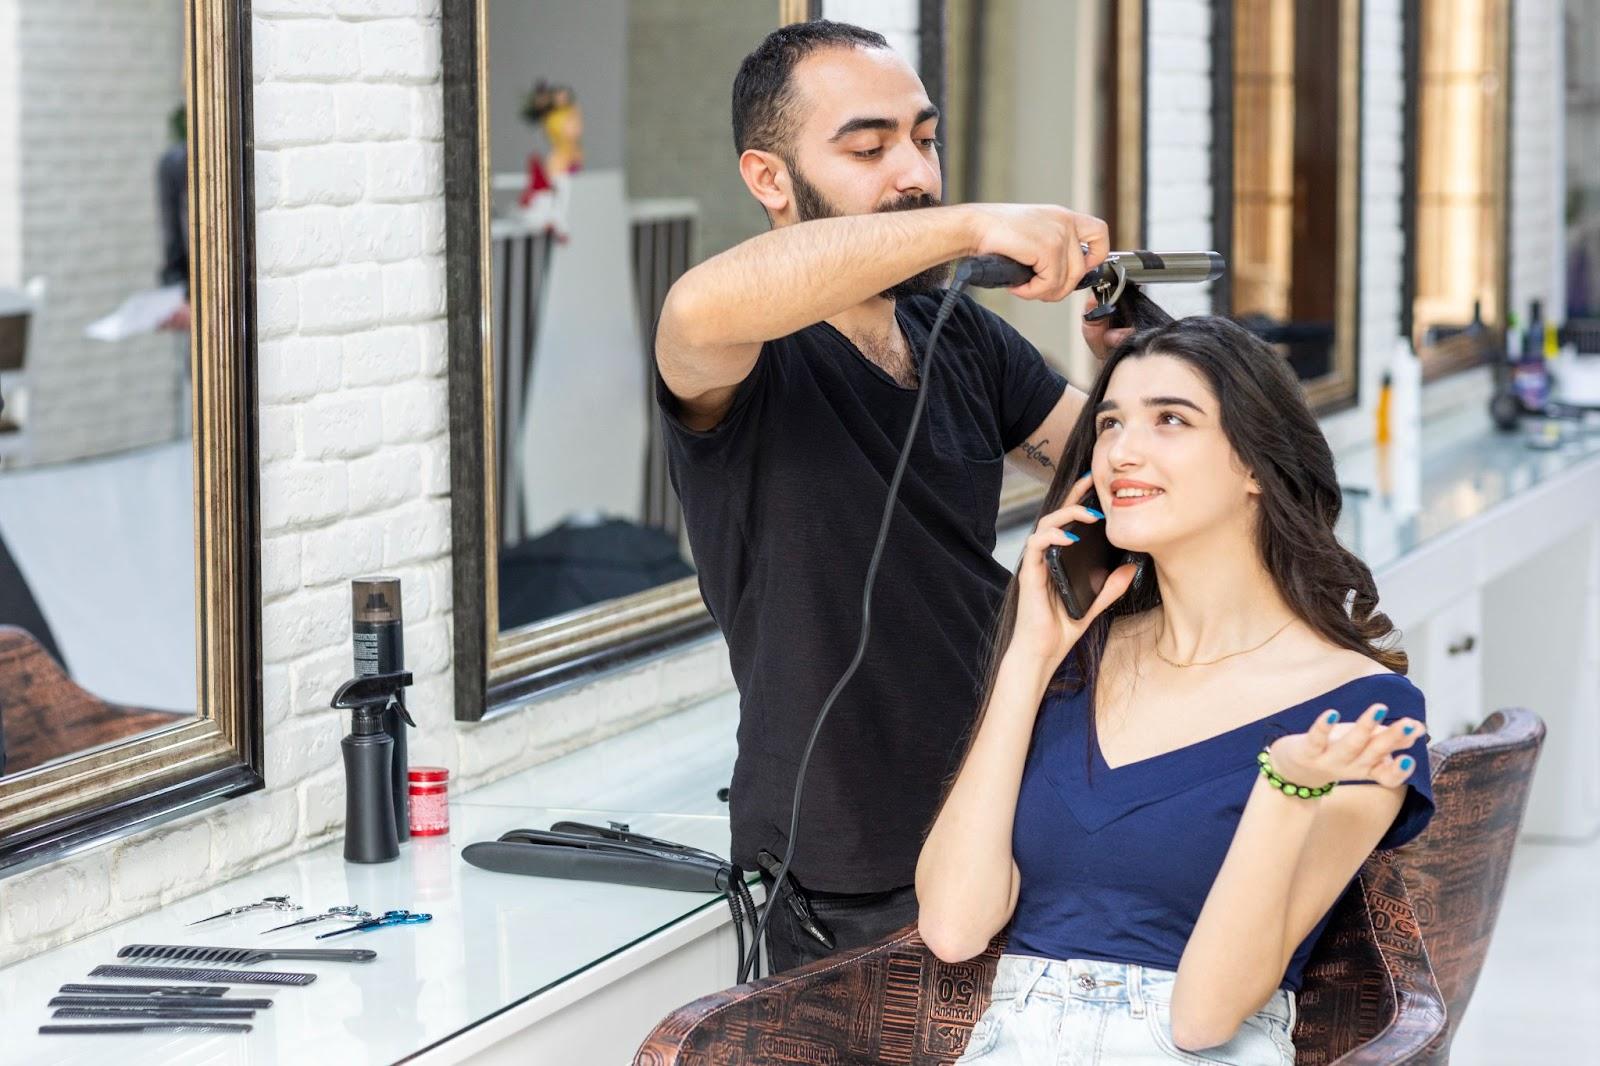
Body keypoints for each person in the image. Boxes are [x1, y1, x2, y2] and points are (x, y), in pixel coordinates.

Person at [653, 19, 1112, 974]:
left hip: (1014, 809)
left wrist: (1141, 382)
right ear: (770, 179)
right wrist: (977, 225)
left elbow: (1110, 463)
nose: (916, 172)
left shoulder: (960, 336)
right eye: (869, 147)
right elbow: (697, 305)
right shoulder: (740, 354)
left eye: (925, 138)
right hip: (845, 864)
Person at [916, 315, 1435, 1064]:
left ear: (1255, 463)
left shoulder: (1356, 712)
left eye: (1170, 420)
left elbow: (1204, 1018)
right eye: (1110, 422)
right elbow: (954, 927)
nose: (1123, 451)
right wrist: (1026, 659)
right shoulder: (1071, 662)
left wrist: (1287, 791)